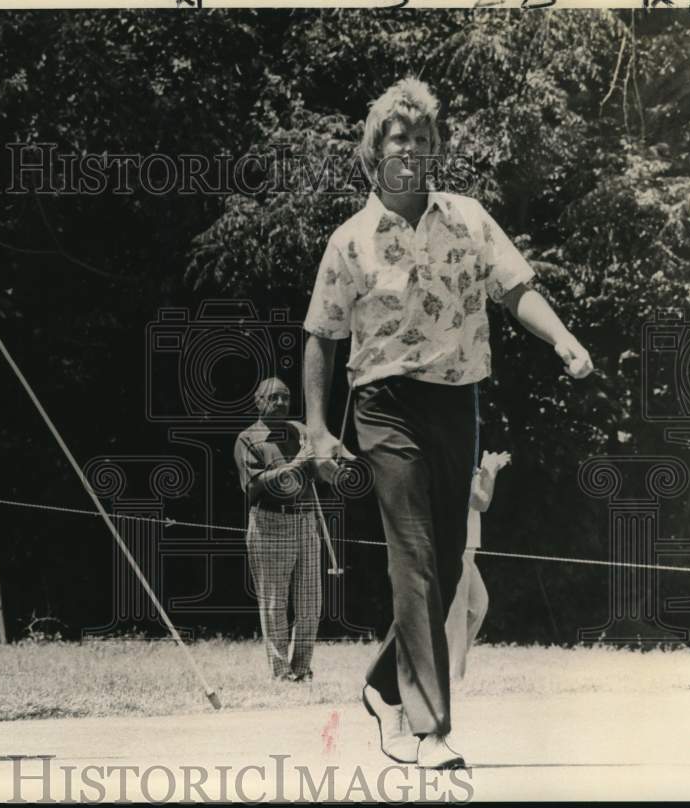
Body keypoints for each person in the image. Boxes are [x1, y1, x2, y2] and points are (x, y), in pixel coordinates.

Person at [302, 78, 593, 769]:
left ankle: (381, 686)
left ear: (436, 153)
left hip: (456, 400)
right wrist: (317, 428)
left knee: (451, 566)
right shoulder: (350, 241)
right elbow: (321, 334)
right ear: (375, 153)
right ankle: (430, 728)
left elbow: (517, 288)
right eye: (400, 139)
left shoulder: (468, 217)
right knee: (417, 555)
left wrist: (563, 339)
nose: (412, 150)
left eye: (424, 141)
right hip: (384, 406)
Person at [233, 377, 322, 682]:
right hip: (270, 521)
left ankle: (302, 668)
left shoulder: (299, 431)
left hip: (306, 520)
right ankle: (281, 672)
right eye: (274, 398)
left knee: (311, 601)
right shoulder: (248, 438)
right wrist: (297, 463)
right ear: (258, 401)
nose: (282, 403)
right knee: (274, 604)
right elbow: (253, 488)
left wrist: (333, 465)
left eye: (285, 397)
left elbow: (320, 469)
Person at [445, 450, 510, 681]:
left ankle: (446, 669)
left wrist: (483, 471)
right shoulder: (455, 460)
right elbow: (480, 502)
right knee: (457, 614)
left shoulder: (464, 460)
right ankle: (452, 678)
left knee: (478, 604)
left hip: (467, 547)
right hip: (455, 546)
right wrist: (490, 473)